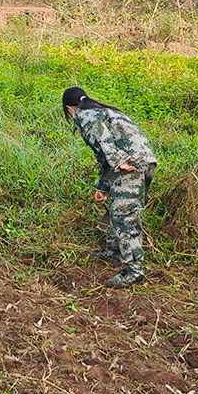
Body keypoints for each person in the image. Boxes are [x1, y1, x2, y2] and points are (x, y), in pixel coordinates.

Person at [62, 86, 157, 288]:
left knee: (125, 217)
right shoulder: (103, 110)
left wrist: (118, 161)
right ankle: (114, 251)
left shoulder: (85, 114)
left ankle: (134, 271)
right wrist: (103, 186)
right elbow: (104, 157)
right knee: (120, 209)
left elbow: (104, 140)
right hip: (144, 162)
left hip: (130, 164)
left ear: (70, 108)